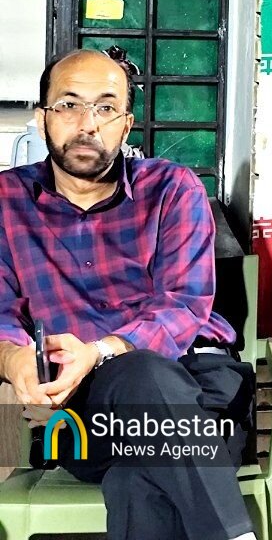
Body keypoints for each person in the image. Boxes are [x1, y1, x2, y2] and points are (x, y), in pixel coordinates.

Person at [0, 49, 255, 540]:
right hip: (82, 415)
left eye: (106, 108)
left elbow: (184, 304)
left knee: (136, 478)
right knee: (141, 387)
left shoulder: (172, 189)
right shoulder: (6, 201)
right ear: (41, 117)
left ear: (126, 124)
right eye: (68, 105)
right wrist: (15, 361)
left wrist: (101, 350)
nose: (87, 124)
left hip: (200, 392)